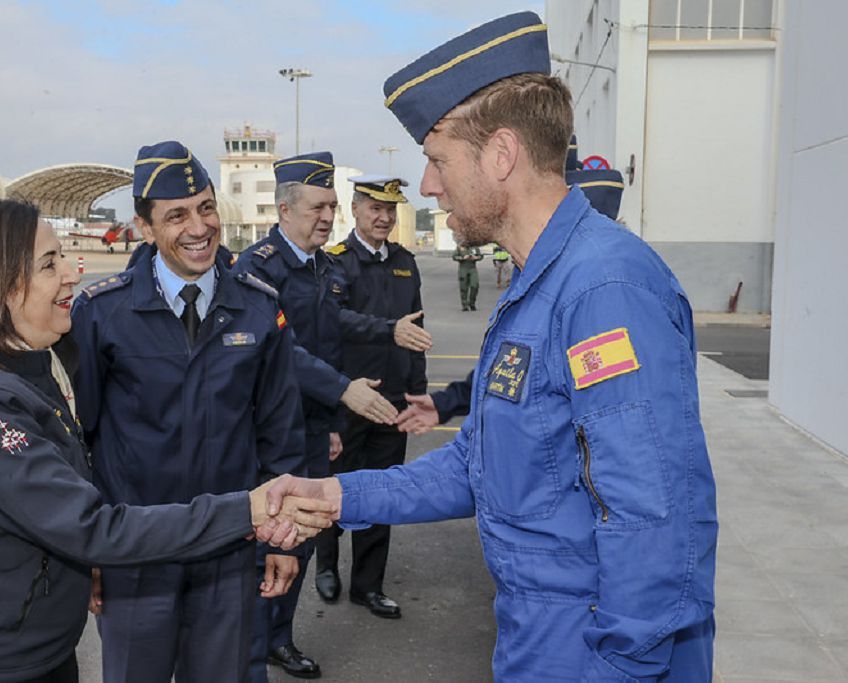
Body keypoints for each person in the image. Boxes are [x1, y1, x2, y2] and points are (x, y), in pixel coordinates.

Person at [266, 11, 718, 681]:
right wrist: (337, 497)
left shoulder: (604, 292)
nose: (426, 184)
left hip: (595, 654)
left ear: (500, 154)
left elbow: (654, 523)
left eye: (437, 158)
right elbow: (480, 465)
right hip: (537, 638)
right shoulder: (539, 285)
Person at [0, 198, 333, 683]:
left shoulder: (36, 367)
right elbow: (89, 526)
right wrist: (247, 511)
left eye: (62, 256)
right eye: (49, 263)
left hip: (36, 645)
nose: (70, 273)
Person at [69, 141, 308, 683]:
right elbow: (78, 441)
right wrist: (88, 552)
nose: (199, 227)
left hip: (229, 550)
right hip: (136, 555)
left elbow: (280, 432)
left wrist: (282, 534)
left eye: (205, 207)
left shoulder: (257, 304)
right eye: (176, 215)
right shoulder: (102, 313)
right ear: (144, 227)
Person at [234, 153, 431, 680]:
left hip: (315, 425)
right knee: (266, 540)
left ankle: (280, 638)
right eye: (319, 206)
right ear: (285, 209)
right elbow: (279, 350)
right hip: (268, 430)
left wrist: (335, 422)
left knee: (299, 535)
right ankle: (250, 651)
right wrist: (343, 392)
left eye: (332, 206)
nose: (328, 216)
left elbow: (332, 336)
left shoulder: (322, 265)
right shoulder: (257, 268)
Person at [397, 149, 628, 436]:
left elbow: (620, 434)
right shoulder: (533, 275)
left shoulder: (604, 292)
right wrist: (448, 402)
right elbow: (512, 369)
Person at [314, 175, 426, 619]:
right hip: (349, 397)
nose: (383, 218)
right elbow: (332, 322)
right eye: (374, 209)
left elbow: (415, 329)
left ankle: (368, 585)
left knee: (382, 493)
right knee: (334, 487)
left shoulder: (405, 262)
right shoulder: (335, 262)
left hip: (393, 398)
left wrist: (417, 391)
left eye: (390, 211)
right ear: (355, 211)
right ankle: (326, 566)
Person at [452, 243, 483, 310]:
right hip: (463, 268)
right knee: (463, 287)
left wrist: (476, 258)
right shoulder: (460, 247)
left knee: (475, 285)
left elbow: (480, 256)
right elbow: (454, 257)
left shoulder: (474, 247)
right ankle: (464, 305)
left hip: (472, 268)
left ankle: (472, 303)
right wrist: (462, 258)